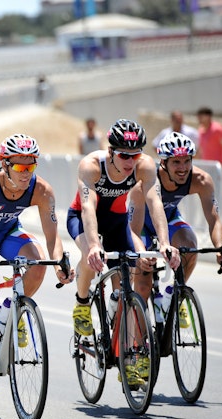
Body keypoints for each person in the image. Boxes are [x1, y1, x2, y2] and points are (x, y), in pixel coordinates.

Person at [67, 119, 180, 385]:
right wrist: (94, 245)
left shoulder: (145, 165)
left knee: (128, 286)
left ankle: (126, 356)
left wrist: (164, 242)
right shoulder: (91, 165)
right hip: (84, 219)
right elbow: (87, 208)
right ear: (110, 152)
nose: (130, 161)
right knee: (90, 256)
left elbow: (155, 203)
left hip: (117, 223)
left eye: (135, 155)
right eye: (124, 155)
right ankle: (82, 303)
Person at [0, 134, 74, 400]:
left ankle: (10, 311)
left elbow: (52, 237)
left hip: (9, 233)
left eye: (31, 165)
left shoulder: (42, 190)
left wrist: (60, 263)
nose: (26, 173)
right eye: (20, 166)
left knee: (38, 263)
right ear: (4, 164)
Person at [129, 132, 222, 312]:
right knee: (143, 288)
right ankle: (138, 329)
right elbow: (132, 229)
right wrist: (140, 252)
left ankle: (175, 296)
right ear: (163, 162)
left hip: (169, 218)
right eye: (176, 162)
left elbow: (214, 219)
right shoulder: (145, 182)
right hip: (142, 226)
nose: (183, 168)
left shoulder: (201, 180)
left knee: (189, 246)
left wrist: (221, 250)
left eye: (187, 161)